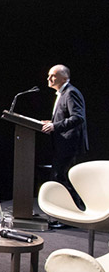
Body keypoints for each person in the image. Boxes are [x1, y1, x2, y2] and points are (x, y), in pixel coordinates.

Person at [42, 64, 88, 209]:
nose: (49, 78)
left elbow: (78, 117)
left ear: (64, 78)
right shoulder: (63, 93)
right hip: (63, 144)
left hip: (69, 144)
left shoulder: (70, 92)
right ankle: (68, 211)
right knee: (59, 177)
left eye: (53, 75)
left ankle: (77, 210)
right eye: (49, 75)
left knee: (61, 178)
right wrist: (52, 122)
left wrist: (55, 126)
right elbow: (66, 116)